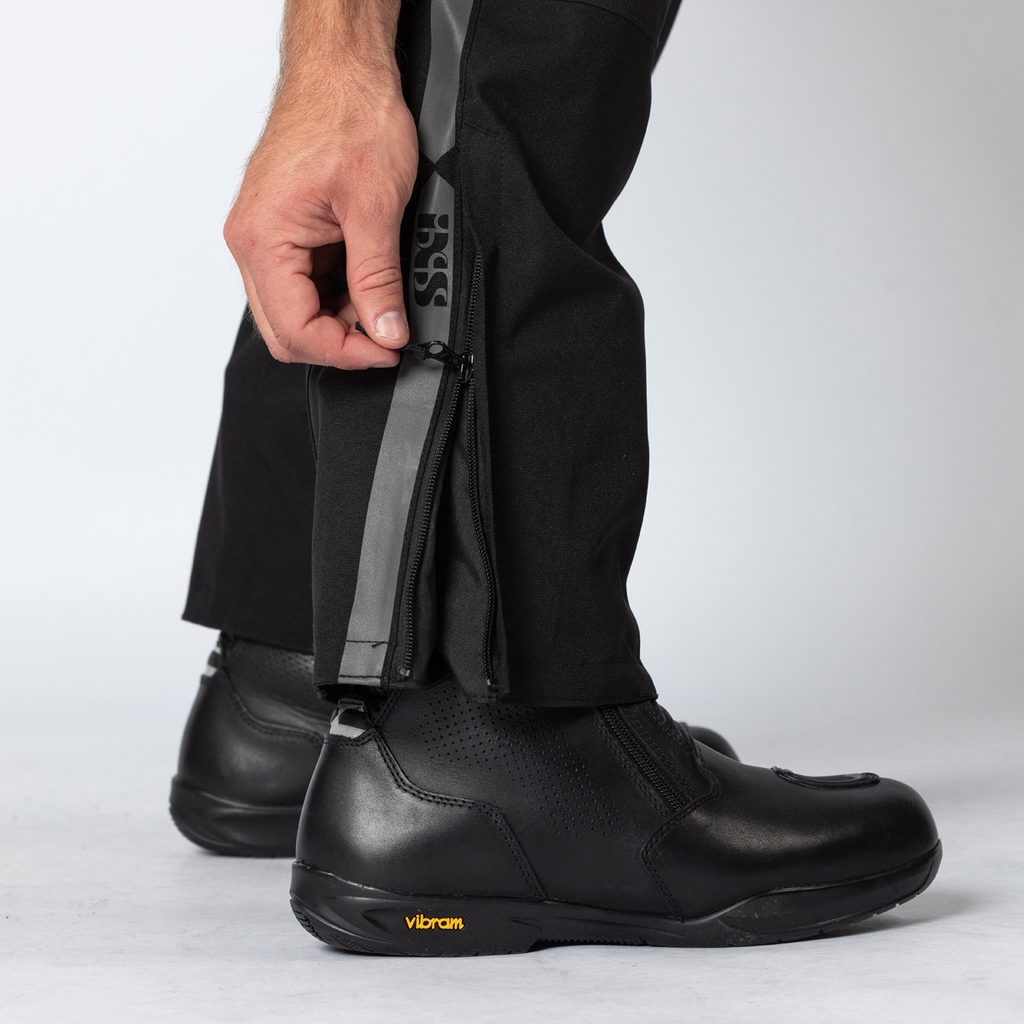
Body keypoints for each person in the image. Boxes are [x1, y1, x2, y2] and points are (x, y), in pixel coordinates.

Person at [171, 0, 940, 955]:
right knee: (503, 65)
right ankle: (484, 736)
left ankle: (297, 674)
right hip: (474, 725)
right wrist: (335, 67)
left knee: (421, 102)